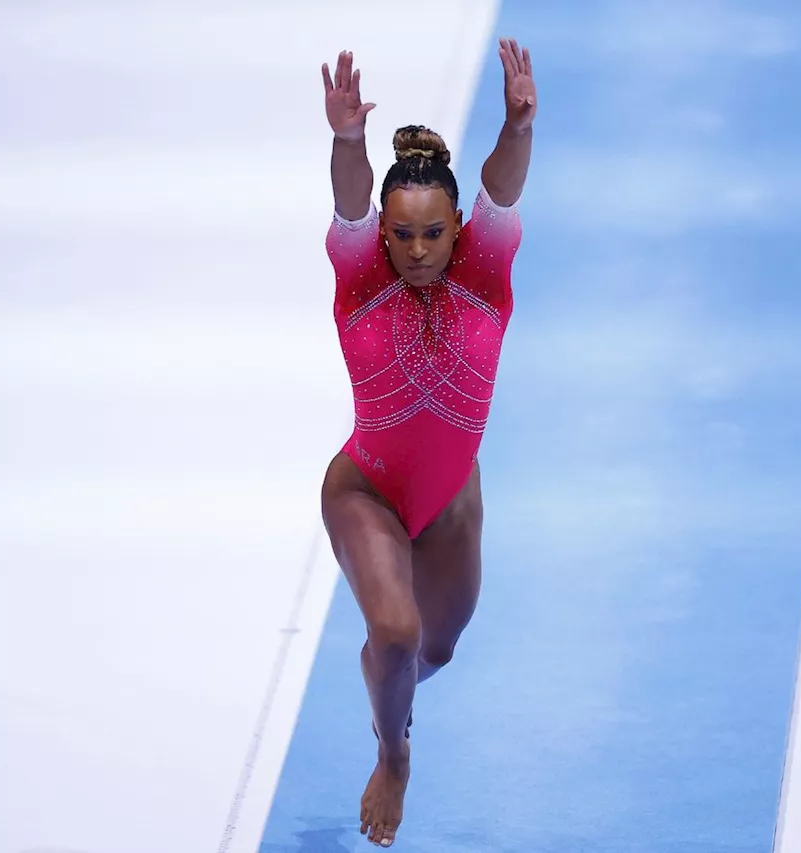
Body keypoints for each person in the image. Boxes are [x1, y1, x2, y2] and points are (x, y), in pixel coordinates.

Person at [317, 38, 537, 847]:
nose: (415, 251)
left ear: (455, 233)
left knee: (429, 649)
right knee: (400, 633)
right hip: (365, 489)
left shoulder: (486, 275)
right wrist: (348, 142)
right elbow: (347, 205)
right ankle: (393, 753)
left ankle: (391, 685)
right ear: (384, 234)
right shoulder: (361, 276)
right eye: (401, 235)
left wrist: (517, 127)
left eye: (431, 234)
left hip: (450, 503)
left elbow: (500, 190)